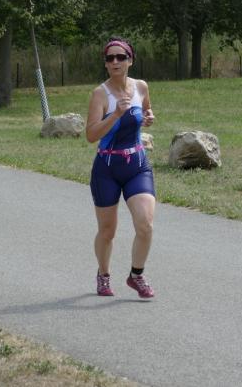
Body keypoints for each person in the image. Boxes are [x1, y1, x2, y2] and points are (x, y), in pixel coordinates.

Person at [86, 38, 157, 299]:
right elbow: (91, 135)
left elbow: (146, 110)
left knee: (145, 224)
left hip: (137, 165)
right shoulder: (100, 94)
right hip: (107, 168)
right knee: (108, 231)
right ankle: (103, 274)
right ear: (105, 64)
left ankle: (136, 275)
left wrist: (148, 117)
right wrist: (115, 114)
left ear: (130, 60)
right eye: (110, 58)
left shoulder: (141, 87)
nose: (115, 62)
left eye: (120, 57)